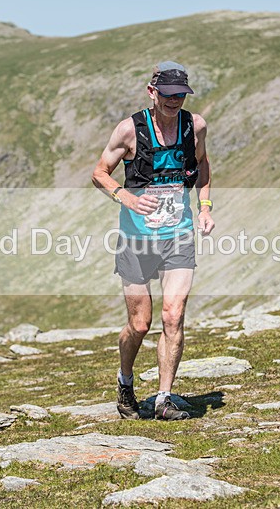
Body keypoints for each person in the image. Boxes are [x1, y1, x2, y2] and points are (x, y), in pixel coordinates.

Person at [92, 61, 215, 421]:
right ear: (152, 92)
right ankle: (125, 381)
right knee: (140, 324)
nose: (175, 101)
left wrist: (204, 207)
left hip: (178, 235)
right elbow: (99, 173)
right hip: (136, 239)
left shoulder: (196, 126)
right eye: (168, 95)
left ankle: (164, 397)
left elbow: (203, 164)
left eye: (181, 95)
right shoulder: (129, 130)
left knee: (173, 315)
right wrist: (127, 198)